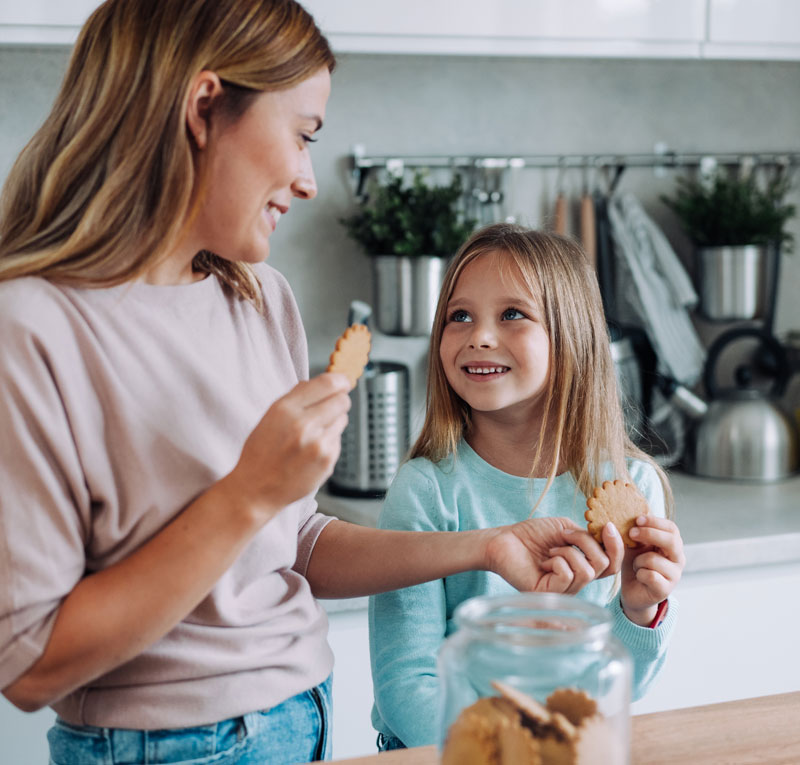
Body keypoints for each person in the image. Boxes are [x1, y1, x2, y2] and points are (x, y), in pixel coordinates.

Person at [0, 3, 623, 764]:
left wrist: (488, 547)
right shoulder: (30, 327)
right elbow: (29, 665)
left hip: (306, 718)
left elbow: (292, 543)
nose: (307, 180)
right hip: (165, 745)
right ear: (203, 109)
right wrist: (248, 493)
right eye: (302, 135)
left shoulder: (258, 298)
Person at [369, 223, 686, 751]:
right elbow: (407, 685)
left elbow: (619, 689)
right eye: (459, 315)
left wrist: (637, 610)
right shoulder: (426, 490)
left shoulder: (631, 486)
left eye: (512, 314)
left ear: (573, 336)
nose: (479, 336)